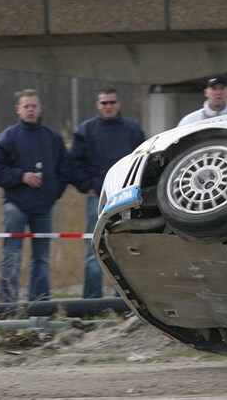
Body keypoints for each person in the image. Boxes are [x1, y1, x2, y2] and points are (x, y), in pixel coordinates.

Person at [0, 89, 72, 303]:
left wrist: (54, 192)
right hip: (15, 206)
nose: (30, 110)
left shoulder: (53, 138)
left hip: (44, 207)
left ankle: (40, 303)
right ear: (18, 109)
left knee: (42, 259)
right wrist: (21, 176)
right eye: (26, 106)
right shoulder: (8, 137)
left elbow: (65, 169)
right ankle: (7, 305)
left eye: (34, 105)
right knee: (11, 257)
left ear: (40, 108)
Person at [68, 87, 146, 299]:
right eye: (104, 103)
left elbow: (143, 161)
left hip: (126, 198)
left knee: (125, 249)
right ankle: (91, 301)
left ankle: (126, 300)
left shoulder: (133, 130)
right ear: (98, 105)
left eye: (112, 102)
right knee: (94, 250)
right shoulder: (85, 130)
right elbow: (73, 163)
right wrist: (87, 185)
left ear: (119, 104)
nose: (108, 106)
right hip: (97, 197)